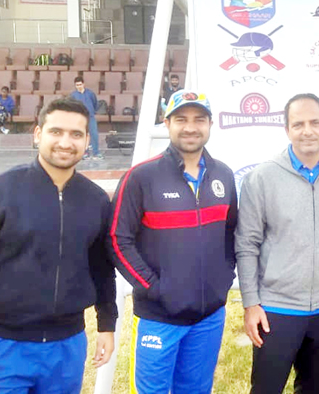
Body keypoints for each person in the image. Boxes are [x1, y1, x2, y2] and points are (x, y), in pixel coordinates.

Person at [0, 97, 117, 392]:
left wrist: (106, 325)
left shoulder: (96, 200)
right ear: (38, 134)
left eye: (76, 134)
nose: (65, 142)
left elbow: (102, 268)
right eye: (56, 131)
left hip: (67, 346)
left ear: (87, 140)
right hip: (2, 344)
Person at [235, 93, 319, 394]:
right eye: (298, 124)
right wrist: (251, 303)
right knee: (266, 389)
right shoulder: (262, 177)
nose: (307, 131)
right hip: (276, 308)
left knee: (314, 388)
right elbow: (247, 244)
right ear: (287, 130)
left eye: (314, 123)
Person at [108, 90, 237, 394]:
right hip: (158, 317)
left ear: (210, 124)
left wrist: (223, 278)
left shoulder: (223, 174)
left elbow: (231, 233)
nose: (190, 127)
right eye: (181, 119)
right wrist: (154, 288)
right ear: (166, 124)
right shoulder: (141, 177)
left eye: (199, 119)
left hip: (209, 317)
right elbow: (117, 239)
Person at [70, 76, 102, 160]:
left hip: (90, 116)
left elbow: (95, 103)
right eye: (77, 85)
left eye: (80, 84)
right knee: (82, 135)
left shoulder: (90, 93)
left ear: (83, 84)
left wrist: (92, 111)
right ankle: (85, 152)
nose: (79, 86)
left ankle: (96, 153)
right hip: (80, 118)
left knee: (94, 134)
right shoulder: (73, 95)